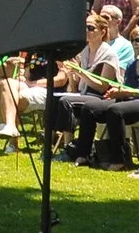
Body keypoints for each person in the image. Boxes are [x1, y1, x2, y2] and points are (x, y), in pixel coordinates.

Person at [53, 14, 123, 164]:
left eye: (90, 28)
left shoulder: (109, 54)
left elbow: (103, 86)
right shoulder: (84, 52)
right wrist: (71, 72)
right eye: (84, 27)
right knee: (57, 99)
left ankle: (69, 149)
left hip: (103, 97)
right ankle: (63, 145)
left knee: (66, 101)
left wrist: (79, 72)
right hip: (85, 94)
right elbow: (77, 84)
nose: (86, 31)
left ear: (102, 32)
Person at [0, 52, 65, 153]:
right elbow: (27, 74)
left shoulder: (63, 50)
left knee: (12, 97)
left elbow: (61, 80)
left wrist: (32, 83)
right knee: (3, 83)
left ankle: (10, 134)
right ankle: (9, 126)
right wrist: (21, 73)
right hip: (31, 86)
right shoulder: (35, 50)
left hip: (50, 90)